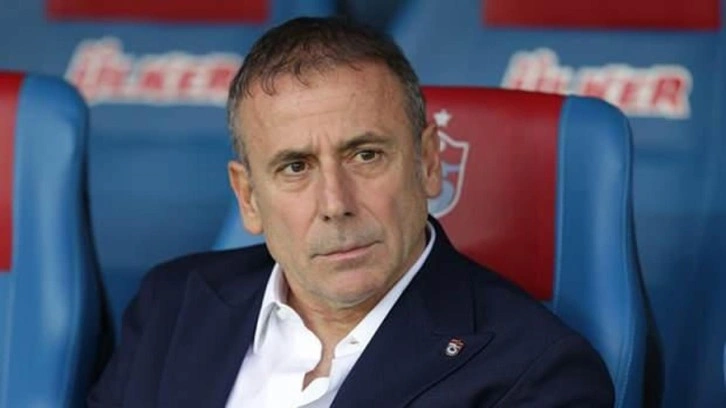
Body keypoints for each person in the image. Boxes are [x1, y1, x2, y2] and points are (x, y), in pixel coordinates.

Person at [88, 17, 614, 407]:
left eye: (365, 156)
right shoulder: (172, 306)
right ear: (248, 197)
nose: (335, 204)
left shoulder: (536, 375)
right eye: (295, 167)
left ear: (429, 163)